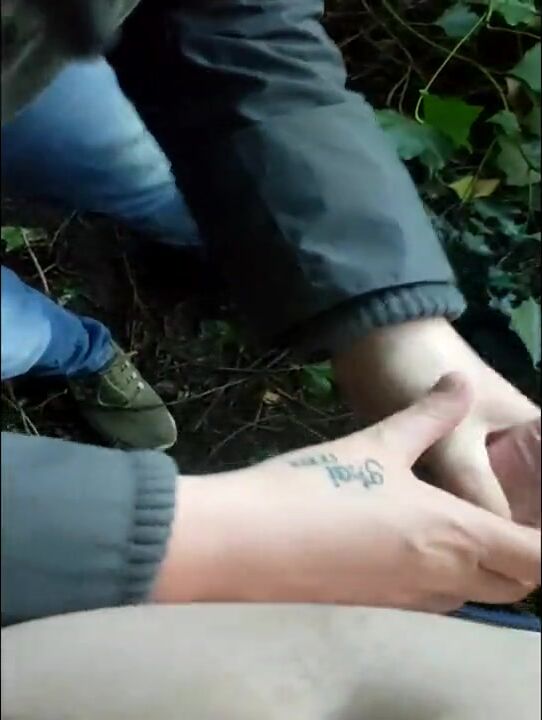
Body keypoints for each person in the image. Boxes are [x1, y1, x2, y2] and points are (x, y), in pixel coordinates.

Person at [1, 0, 540, 615]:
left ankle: (91, 339)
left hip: (34, 51)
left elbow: (239, 20)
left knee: (145, 173)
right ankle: (75, 352)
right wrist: (199, 538)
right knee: (12, 336)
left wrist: (387, 314)